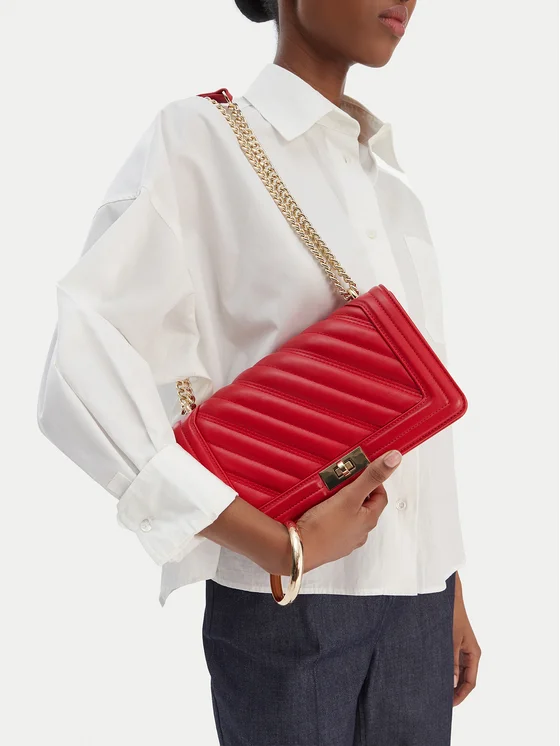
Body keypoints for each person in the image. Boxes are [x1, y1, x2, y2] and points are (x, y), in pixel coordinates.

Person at [36, 0, 481, 743]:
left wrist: (448, 582)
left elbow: (414, 420)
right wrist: (277, 545)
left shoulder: (392, 190)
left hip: (419, 611)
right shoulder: (200, 139)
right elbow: (83, 357)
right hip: (285, 605)